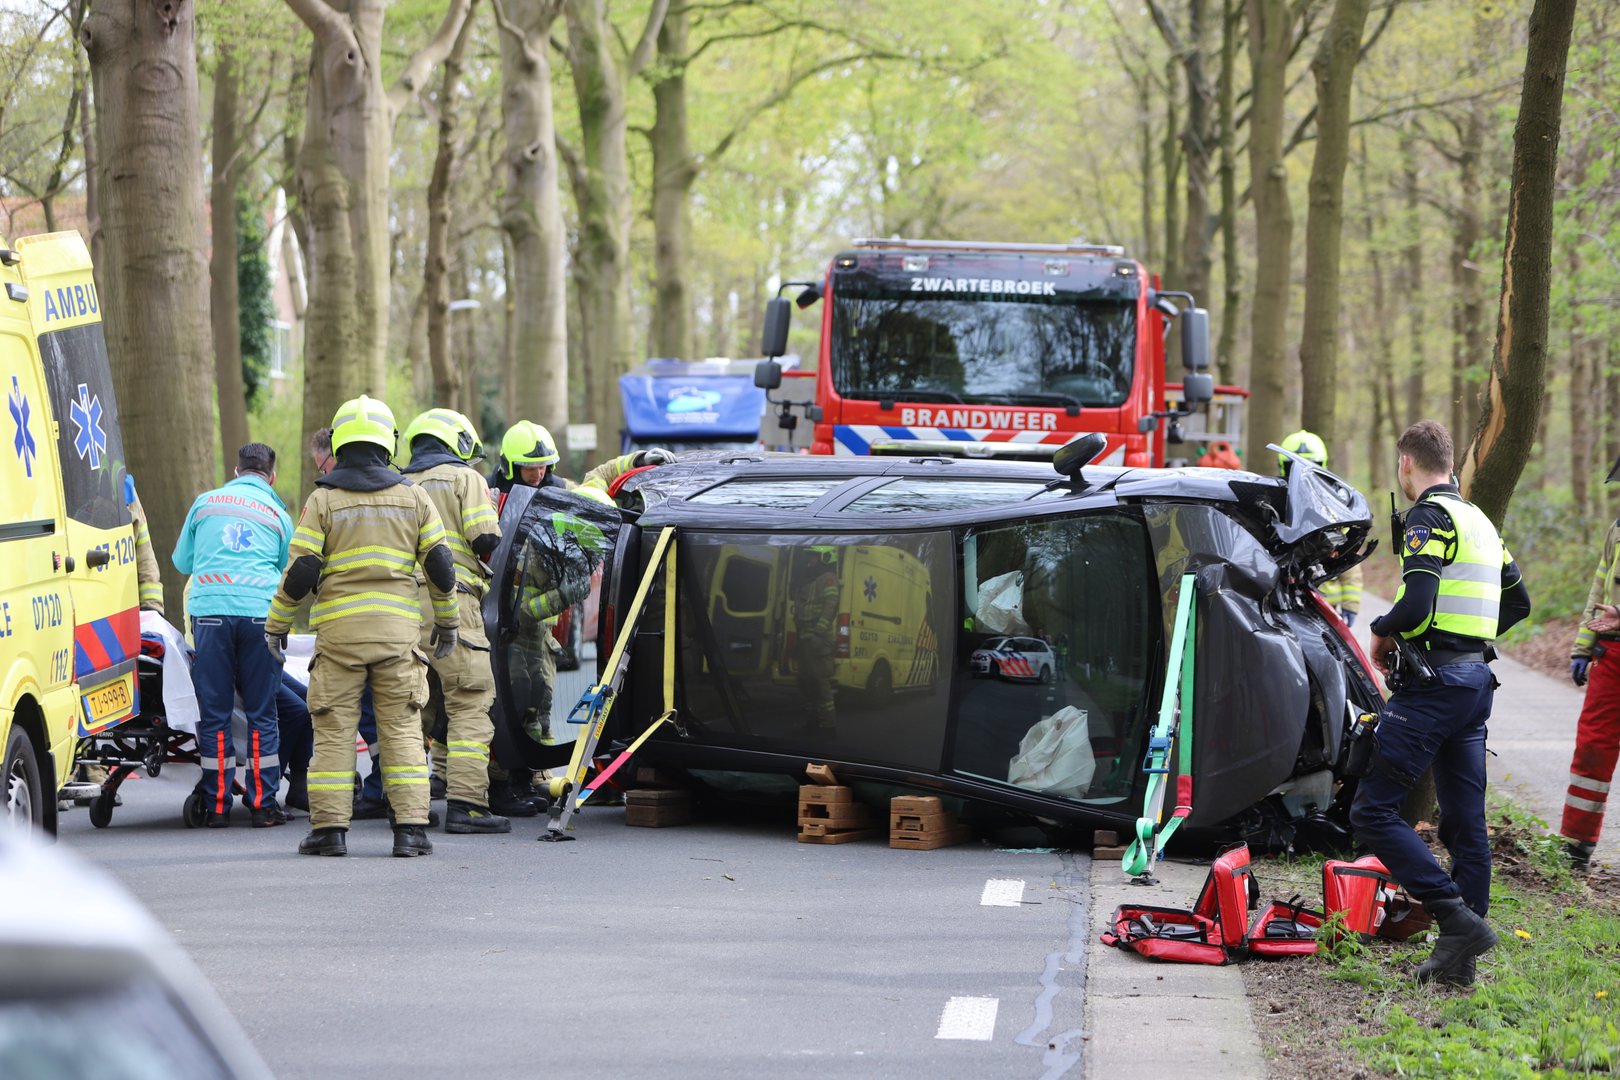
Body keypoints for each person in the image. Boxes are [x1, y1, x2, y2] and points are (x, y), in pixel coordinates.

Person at [1349, 419, 1531, 987]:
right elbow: (1519, 603)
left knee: (1372, 811)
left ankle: (1454, 919)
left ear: (1407, 463)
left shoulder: (1428, 518)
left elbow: (1417, 602)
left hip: (1433, 689)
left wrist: (1381, 631)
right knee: (1465, 825)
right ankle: (1459, 963)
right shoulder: (1480, 522)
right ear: (1450, 463)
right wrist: (1469, 639)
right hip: (1474, 685)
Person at [266, 396, 459, 858]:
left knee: (334, 732)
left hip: (339, 641)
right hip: (397, 639)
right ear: (388, 442)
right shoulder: (413, 498)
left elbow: (301, 571)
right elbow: (440, 565)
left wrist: (277, 624)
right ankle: (410, 831)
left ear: (340, 443)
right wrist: (448, 621)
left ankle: (329, 831)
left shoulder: (323, 500)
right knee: (403, 730)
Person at [171, 443, 295, 828]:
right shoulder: (279, 515)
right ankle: (263, 805)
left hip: (210, 615)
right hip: (260, 617)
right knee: (262, 712)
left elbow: (182, 562)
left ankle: (217, 807)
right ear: (271, 477)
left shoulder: (205, 504)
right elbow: (285, 568)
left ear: (236, 471)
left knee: (215, 714)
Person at [401, 409, 509, 835]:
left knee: (411, 708)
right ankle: (467, 805)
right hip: (455, 603)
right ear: (458, 442)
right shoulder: (466, 478)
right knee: (469, 701)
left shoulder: (398, 484)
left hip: (404, 609)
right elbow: (485, 538)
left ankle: (406, 808)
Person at [1561, 461, 1620, 872]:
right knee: (1593, 747)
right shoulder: (1616, 529)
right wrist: (1583, 646)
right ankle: (1575, 845)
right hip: (1610, 654)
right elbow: (1599, 587)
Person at [1278, 430, 1363, 625]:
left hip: (1325, 606)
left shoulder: (1331, 506)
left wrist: (1351, 604)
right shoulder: (1272, 505)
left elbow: (1346, 555)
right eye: (1294, 466)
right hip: (1283, 604)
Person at [792, 546, 840, 734]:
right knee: (807, 682)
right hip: (805, 639)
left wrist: (819, 634)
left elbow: (830, 607)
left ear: (825, 557)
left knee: (820, 683)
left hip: (818, 640)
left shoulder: (828, 578)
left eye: (813, 556)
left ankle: (829, 726)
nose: (809, 560)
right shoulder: (810, 579)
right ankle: (813, 720)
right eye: (809, 556)